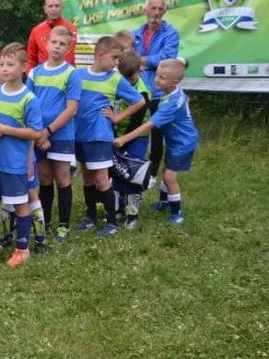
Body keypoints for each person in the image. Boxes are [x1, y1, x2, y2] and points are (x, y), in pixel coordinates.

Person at [0, 46, 43, 267]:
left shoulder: (29, 99)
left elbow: (35, 132)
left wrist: (8, 131)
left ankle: (22, 249)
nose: (4, 69)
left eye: (9, 65)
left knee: (21, 206)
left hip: (15, 164)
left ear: (23, 67)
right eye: (2, 64)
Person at [71, 36, 146, 238]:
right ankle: (90, 218)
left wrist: (117, 117)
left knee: (102, 180)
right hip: (80, 135)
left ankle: (112, 222)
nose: (116, 63)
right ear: (100, 54)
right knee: (87, 178)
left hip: (100, 136)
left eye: (118, 59)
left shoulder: (115, 79)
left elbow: (138, 101)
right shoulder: (77, 75)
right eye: (114, 58)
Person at [115, 58, 197, 224]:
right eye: (157, 75)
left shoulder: (171, 104)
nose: (156, 79)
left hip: (183, 144)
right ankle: (164, 203)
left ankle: (177, 214)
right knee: (167, 170)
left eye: (162, 78)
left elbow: (148, 126)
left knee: (169, 178)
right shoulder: (171, 91)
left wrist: (124, 138)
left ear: (175, 81)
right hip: (175, 141)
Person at [27, 26, 81, 242]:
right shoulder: (35, 72)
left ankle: (64, 226)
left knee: (62, 178)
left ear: (69, 48)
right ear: (47, 43)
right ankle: (45, 221)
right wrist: (38, 134)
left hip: (60, 135)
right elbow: (28, 104)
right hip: (38, 134)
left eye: (62, 44)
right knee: (45, 178)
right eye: (54, 42)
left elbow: (71, 109)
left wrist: (47, 132)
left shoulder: (71, 74)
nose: (57, 47)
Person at [133, 0, 181, 181]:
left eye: (160, 8)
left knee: (156, 134)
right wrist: (144, 61)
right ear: (145, 11)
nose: (157, 12)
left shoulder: (171, 33)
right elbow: (128, 58)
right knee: (134, 128)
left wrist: (141, 60)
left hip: (159, 91)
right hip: (138, 90)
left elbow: (166, 58)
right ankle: (133, 165)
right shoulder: (136, 33)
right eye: (153, 8)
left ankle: (152, 173)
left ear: (165, 11)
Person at [110, 50, 152, 229]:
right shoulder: (115, 83)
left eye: (130, 78)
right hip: (118, 136)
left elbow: (136, 122)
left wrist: (123, 140)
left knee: (134, 173)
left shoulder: (143, 92)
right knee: (117, 172)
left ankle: (132, 215)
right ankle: (118, 209)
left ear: (139, 71)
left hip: (135, 136)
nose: (126, 83)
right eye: (123, 78)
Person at [26, 0, 77, 72]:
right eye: (50, 6)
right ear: (45, 9)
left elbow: (74, 55)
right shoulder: (36, 31)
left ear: (62, 8)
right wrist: (31, 76)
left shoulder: (72, 29)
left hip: (66, 73)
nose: (54, 9)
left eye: (57, 6)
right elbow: (31, 58)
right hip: (43, 74)